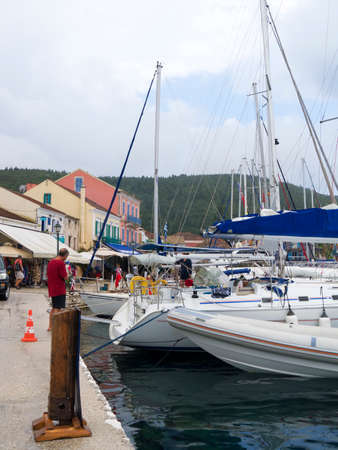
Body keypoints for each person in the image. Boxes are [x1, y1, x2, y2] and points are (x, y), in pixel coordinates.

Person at [47, 248, 69, 331]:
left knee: (54, 307)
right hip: (59, 288)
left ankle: (50, 326)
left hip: (52, 287)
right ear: (65, 255)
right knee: (58, 308)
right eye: (67, 256)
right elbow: (64, 276)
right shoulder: (60, 263)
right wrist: (68, 280)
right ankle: (56, 327)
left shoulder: (51, 262)